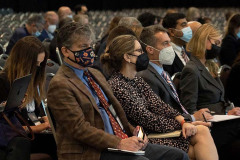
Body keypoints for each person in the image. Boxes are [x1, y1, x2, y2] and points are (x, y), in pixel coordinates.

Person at [47, 22, 189, 160]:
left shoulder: (94, 74)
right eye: (83, 47)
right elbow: (78, 128)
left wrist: (133, 131)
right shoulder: (60, 84)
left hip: (118, 141)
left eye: (90, 46)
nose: (89, 51)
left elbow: (112, 112)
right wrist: (118, 143)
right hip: (92, 151)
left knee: (178, 155)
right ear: (65, 51)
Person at [101, 34, 218, 160]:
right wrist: (182, 124)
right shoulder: (117, 85)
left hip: (160, 131)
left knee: (200, 134)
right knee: (199, 136)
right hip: (146, 137)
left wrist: (183, 120)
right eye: (139, 51)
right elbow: (147, 119)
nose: (143, 54)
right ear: (127, 57)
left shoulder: (136, 79)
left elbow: (159, 105)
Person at [137, 25, 212, 121]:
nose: (170, 47)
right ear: (150, 49)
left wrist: (195, 115)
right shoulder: (146, 77)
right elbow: (160, 114)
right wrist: (192, 118)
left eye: (170, 42)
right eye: (165, 43)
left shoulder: (164, 73)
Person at [0, 36, 53, 159]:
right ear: (24, 61)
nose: (38, 68)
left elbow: (37, 110)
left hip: (32, 132)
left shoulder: (31, 79)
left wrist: (46, 120)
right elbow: (7, 128)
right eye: (36, 64)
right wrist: (39, 128)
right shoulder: (3, 82)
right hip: (18, 138)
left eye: (40, 64)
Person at [180, 23, 240, 115]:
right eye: (216, 43)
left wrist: (229, 112)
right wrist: (226, 115)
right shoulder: (191, 70)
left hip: (221, 118)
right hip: (209, 124)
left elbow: (221, 100)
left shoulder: (210, 65)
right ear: (204, 40)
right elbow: (190, 110)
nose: (218, 47)